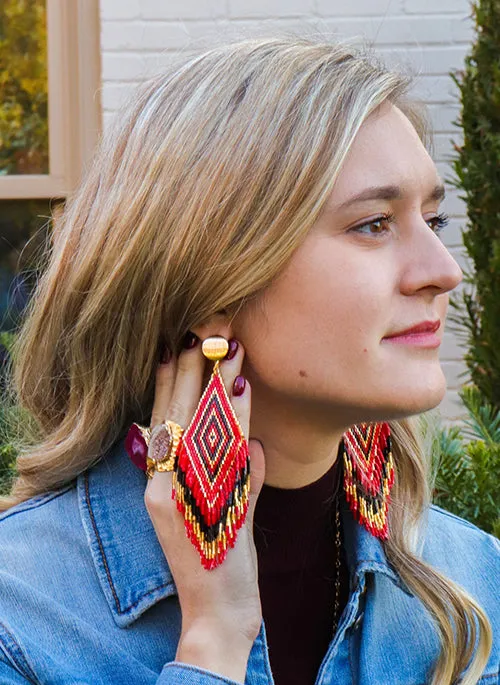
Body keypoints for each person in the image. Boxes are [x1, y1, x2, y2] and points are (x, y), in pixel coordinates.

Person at [0, 37, 498, 685]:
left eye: (434, 220)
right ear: (211, 279)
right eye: (374, 223)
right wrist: (213, 639)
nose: (444, 271)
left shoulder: (473, 584)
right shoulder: (24, 616)